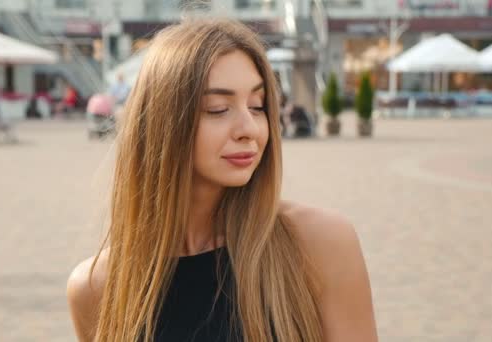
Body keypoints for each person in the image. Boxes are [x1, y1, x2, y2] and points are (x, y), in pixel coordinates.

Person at [67, 19, 377, 342]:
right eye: (218, 109)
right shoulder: (97, 287)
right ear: (163, 124)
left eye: (257, 106)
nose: (250, 128)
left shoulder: (320, 243)